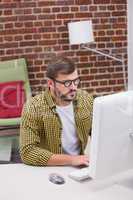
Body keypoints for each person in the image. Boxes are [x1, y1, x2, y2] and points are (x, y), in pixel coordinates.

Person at [20, 55, 93, 167]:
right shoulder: (33, 106)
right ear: (50, 83)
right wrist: (72, 160)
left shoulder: (86, 99)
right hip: (49, 169)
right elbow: (28, 152)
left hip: (80, 166)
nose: (73, 87)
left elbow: (99, 132)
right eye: (67, 83)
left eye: (76, 81)